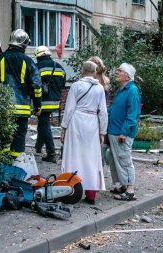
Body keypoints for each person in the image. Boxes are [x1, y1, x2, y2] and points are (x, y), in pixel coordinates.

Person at [60, 61, 108, 204]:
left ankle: (70, 187)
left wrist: (64, 127)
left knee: (73, 154)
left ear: (82, 71)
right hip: (92, 123)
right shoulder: (99, 88)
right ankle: (91, 193)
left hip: (76, 122)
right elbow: (103, 112)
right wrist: (102, 131)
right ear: (94, 72)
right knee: (91, 157)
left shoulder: (75, 86)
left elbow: (69, 109)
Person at [0, 29, 42, 158]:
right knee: (18, 136)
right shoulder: (28, 61)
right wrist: (38, 105)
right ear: (24, 45)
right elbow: (36, 85)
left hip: (1, 107)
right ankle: (16, 163)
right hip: (22, 108)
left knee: (0, 136)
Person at [108, 63, 141, 201]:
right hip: (114, 131)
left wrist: (124, 132)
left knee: (124, 159)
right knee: (114, 160)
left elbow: (133, 114)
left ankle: (130, 190)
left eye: (120, 71)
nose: (117, 72)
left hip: (122, 133)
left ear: (127, 76)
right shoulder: (121, 90)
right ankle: (123, 185)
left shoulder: (132, 91)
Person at [34, 45, 66, 163]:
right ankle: (38, 147)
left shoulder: (37, 67)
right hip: (55, 102)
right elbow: (62, 85)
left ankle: (51, 152)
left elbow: (33, 84)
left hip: (42, 102)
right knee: (43, 123)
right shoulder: (59, 67)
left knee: (44, 124)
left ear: (38, 56)